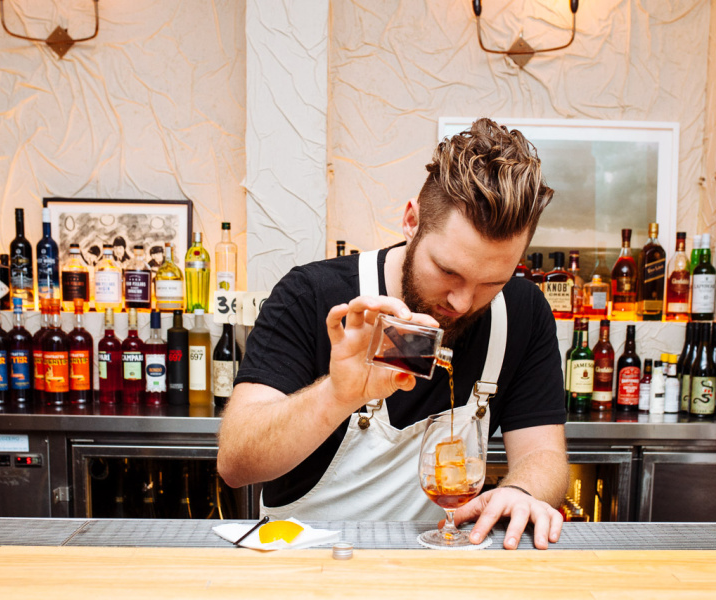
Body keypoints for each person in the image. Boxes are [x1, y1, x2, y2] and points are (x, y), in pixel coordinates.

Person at [217, 118, 569, 550]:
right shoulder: (309, 294)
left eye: (491, 282)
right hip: (306, 563)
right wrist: (336, 395)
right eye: (448, 271)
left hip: (439, 563)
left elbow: (543, 455)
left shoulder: (523, 312)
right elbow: (236, 463)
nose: (462, 302)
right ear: (411, 221)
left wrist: (522, 491)